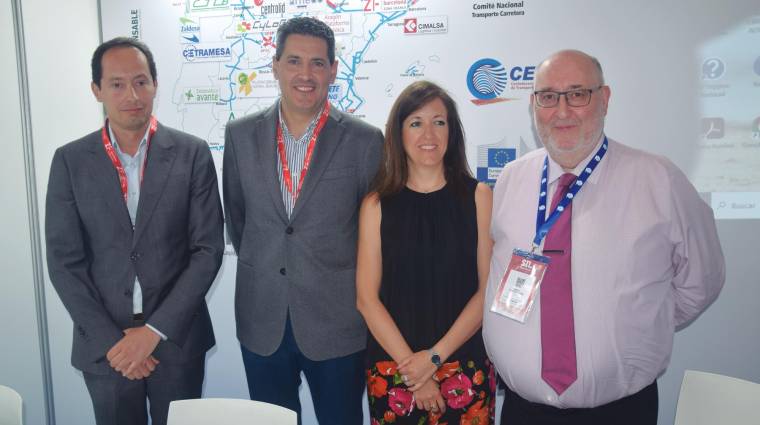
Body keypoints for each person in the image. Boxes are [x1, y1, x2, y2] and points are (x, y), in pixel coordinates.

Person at [482, 49, 725, 425]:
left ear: (605, 98)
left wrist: (644, 319)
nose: (561, 111)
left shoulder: (658, 180)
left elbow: (703, 279)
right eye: (548, 97)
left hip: (620, 411)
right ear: (534, 105)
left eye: (577, 94)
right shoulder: (511, 180)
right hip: (522, 411)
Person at [45, 37, 224, 425]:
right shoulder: (70, 161)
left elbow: (207, 250)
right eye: (117, 84)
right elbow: (64, 263)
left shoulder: (192, 154)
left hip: (176, 340)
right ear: (97, 90)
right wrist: (116, 343)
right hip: (105, 346)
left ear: (156, 85)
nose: (132, 95)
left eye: (141, 81)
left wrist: (153, 332)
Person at [222, 17, 383, 424]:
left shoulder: (365, 141)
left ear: (333, 69)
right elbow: (239, 221)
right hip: (263, 320)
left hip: (337, 323)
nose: (305, 74)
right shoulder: (240, 136)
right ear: (275, 66)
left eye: (317, 63)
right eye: (294, 61)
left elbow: (374, 238)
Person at [356, 80, 496, 424]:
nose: (428, 134)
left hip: (464, 363)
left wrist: (433, 359)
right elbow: (366, 299)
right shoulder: (376, 204)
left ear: (453, 131)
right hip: (394, 369)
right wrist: (413, 371)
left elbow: (487, 290)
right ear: (398, 133)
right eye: (416, 123)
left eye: (439, 121)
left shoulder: (479, 197)